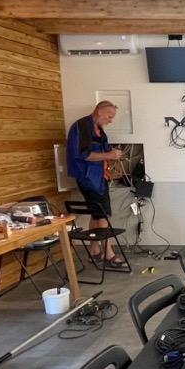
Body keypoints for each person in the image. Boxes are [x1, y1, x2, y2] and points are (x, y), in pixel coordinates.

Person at [66, 100, 125, 267]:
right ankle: (109, 254)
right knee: (104, 215)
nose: (110, 121)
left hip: (99, 176)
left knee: (96, 214)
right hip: (89, 178)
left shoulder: (99, 130)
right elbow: (83, 154)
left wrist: (111, 156)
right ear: (99, 111)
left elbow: (103, 152)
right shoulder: (82, 126)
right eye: (109, 116)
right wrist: (109, 155)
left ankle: (94, 250)